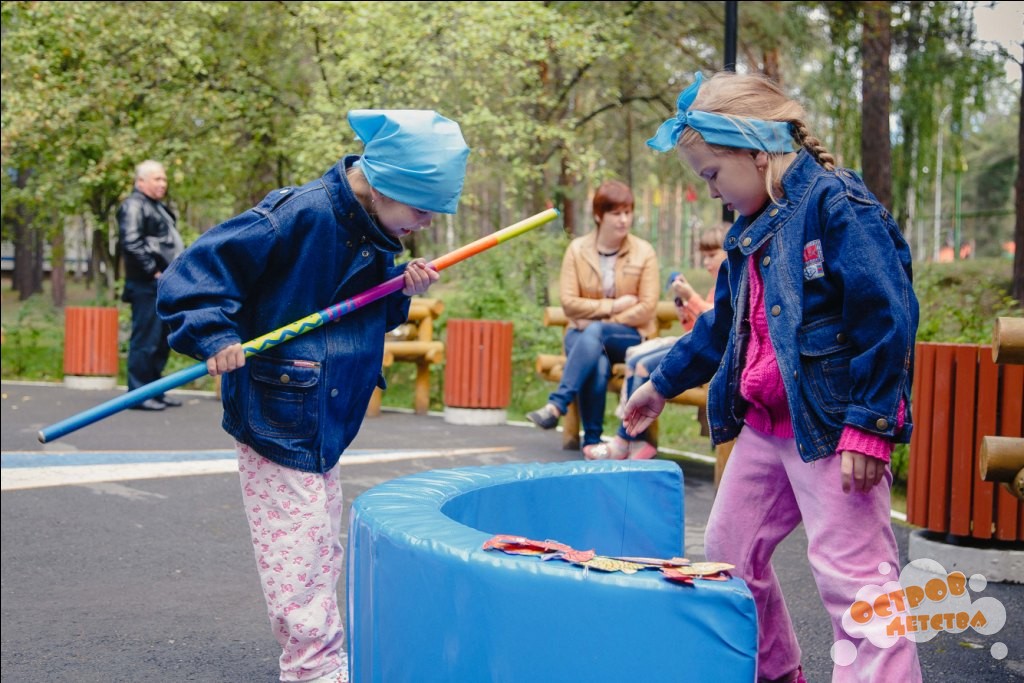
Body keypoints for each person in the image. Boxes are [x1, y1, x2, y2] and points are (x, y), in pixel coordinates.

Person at [623, 72, 921, 682]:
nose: (712, 191)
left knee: (855, 581)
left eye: (712, 174)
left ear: (757, 150)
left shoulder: (836, 204)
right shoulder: (749, 229)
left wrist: (870, 427)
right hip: (764, 426)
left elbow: (887, 318)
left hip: (831, 429)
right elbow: (721, 325)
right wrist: (660, 384)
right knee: (729, 554)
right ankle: (776, 672)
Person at [156, 110, 469, 683]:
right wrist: (214, 334)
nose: (426, 223)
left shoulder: (374, 226)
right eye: (422, 209)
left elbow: (356, 314)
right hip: (277, 413)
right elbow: (191, 277)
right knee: (296, 554)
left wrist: (399, 289)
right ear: (385, 185)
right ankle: (311, 667)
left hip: (324, 414)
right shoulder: (296, 215)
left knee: (320, 544)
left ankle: (318, 659)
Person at [526, 180, 659, 457]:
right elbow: (569, 302)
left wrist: (599, 319)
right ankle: (592, 444)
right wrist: (612, 306)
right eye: (616, 213)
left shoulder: (644, 251)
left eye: (628, 212)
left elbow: (646, 308)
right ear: (599, 215)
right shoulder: (577, 250)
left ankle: (557, 405)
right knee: (597, 361)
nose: (624, 220)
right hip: (583, 336)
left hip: (628, 336)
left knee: (595, 332)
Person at [586, 225, 726, 461]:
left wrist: (691, 297)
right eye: (704, 256)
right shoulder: (715, 288)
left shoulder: (731, 283)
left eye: (712, 255)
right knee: (636, 361)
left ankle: (627, 440)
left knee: (643, 365)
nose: (706, 262)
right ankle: (631, 440)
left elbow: (720, 324)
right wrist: (685, 312)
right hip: (702, 348)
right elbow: (699, 331)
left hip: (719, 358)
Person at [118, 160, 184, 410]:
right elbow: (131, 243)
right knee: (145, 340)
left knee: (161, 341)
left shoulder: (156, 207)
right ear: (141, 182)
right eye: (157, 179)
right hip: (147, 285)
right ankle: (138, 394)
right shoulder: (134, 205)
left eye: (164, 179)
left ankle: (155, 391)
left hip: (162, 284)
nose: (163, 184)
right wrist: (153, 272)